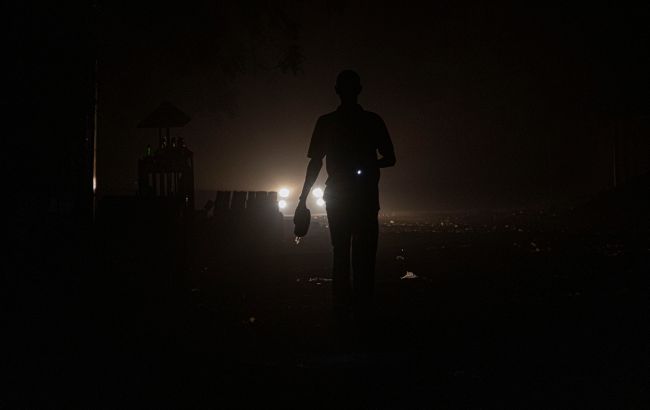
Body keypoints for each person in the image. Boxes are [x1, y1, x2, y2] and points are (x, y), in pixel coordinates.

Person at [295, 70, 396, 313]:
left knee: (340, 251)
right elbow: (390, 158)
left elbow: (315, 163)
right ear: (359, 90)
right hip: (364, 195)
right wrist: (368, 165)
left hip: (338, 194)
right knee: (364, 253)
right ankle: (363, 306)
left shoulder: (326, 122)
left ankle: (342, 305)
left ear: (336, 90)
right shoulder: (372, 121)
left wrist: (303, 198)